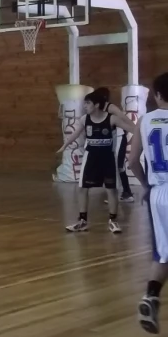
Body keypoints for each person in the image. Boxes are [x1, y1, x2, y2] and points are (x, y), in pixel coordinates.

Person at [58, 92, 135, 233]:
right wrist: (65, 145)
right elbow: (75, 133)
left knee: (111, 189)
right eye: (84, 103)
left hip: (107, 158)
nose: (85, 106)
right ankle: (82, 221)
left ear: (97, 105)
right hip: (91, 157)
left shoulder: (112, 119)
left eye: (87, 103)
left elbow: (131, 129)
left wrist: (143, 134)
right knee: (82, 188)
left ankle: (113, 221)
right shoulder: (84, 119)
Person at [128, 72, 168, 334]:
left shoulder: (145, 120)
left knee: (164, 252)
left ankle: (151, 296)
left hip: (158, 193)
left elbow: (131, 162)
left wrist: (146, 186)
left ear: (156, 95)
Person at [94, 87, 135, 202]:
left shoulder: (110, 107)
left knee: (118, 165)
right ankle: (122, 192)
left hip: (119, 137)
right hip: (109, 140)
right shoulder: (97, 109)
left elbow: (123, 117)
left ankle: (124, 193)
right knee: (112, 166)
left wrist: (136, 128)